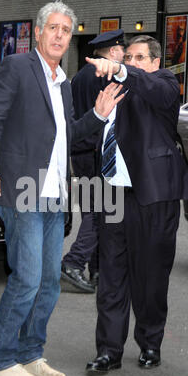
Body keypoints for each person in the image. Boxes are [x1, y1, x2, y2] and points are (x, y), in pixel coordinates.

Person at [0, 0, 124, 376]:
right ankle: (1, 359)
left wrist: (97, 115)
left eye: (66, 30)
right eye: (53, 28)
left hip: (54, 193)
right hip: (22, 189)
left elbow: (67, 136)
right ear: (39, 32)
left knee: (49, 282)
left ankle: (30, 353)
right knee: (26, 278)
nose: (59, 35)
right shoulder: (18, 67)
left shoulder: (63, 83)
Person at [85, 35, 188, 375]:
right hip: (111, 192)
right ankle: (109, 350)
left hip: (154, 194)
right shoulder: (113, 87)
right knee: (112, 277)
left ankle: (149, 342)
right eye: (127, 56)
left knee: (150, 276)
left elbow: (151, 89)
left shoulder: (163, 83)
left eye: (139, 57)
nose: (132, 62)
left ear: (155, 62)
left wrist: (120, 69)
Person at [61, 30, 126, 294]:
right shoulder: (106, 75)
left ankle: (97, 270)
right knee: (102, 212)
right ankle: (74, 262)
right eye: (122, 51)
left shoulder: (79, 76)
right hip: (96, 152)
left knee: (94, 210)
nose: (124, 56)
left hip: (81, 150)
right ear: (112, 52)